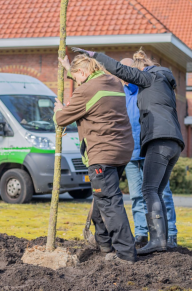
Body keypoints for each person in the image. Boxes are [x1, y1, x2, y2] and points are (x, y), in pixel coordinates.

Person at [71, 47, 184, 255]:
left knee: (150, 190)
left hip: (158, 141)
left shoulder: (149, 77)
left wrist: (95, 56)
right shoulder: (164, 82)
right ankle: (160, 239)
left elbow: (119, 69)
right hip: (174, 141)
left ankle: (159, 241)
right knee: (156, 191)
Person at [55, 54, 137, 264]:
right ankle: (104, 245)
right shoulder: (113, 82)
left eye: (77, 77)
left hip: (102, 153)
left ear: (82, 73)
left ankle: (126, 253)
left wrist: (58, 111)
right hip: (122, 150)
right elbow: (91, 87)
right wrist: (68, 68)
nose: (77, 82)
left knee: (110, 202)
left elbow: (63, 118)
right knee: (102, 198)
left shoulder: (86, 90)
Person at [121, 58, 178, 249]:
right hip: (130, 153)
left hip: (151, 149)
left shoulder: (147, 88)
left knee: (162, 194)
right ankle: (141, 234)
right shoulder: (121, 94)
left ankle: (169, 235)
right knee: (137, 196)